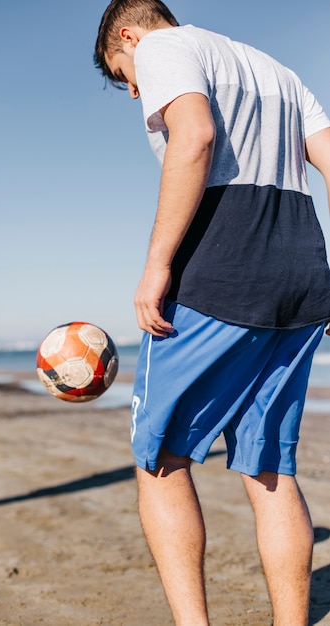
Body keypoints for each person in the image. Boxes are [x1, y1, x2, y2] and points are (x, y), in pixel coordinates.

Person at [94, 1, 330, 624]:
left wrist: (157, 263)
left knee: (160, 458)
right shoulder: (277, 71)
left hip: (223, 269)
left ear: (128, 34)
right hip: (303, 273)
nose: (136, 89)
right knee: (269, 465)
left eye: (125, 75)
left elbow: (194, 136)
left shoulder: (165, 48)